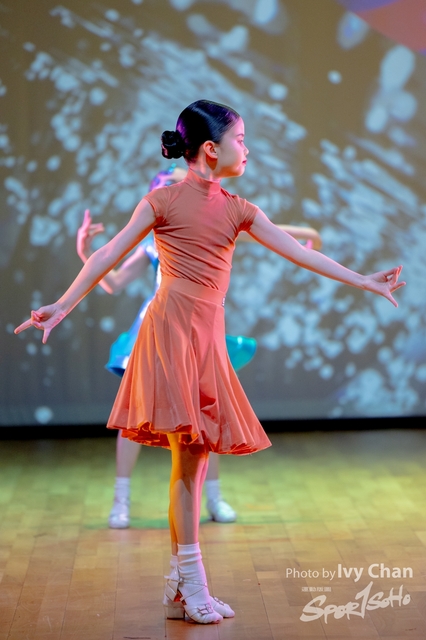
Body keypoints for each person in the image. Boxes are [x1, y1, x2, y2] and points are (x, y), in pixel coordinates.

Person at [15, 99, 404, 624]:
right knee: (191, 454)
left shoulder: (240, 209)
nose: (248, 148)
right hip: (170, 332)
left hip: (206, 337)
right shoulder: (162, 201)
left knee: (193, 460)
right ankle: (191, 585)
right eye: (240, 139)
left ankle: (182, 588)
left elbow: (301, 252)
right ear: (211, 149)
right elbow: (110, 255)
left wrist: (363, 280)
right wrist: (62, 306)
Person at [77, 165, 322, 529]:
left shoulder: (214, 220)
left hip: (198, 329)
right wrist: (85, 250)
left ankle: (214, 498)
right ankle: (121, 500)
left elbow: (262, 230)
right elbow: (112, 281)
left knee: (204, 414)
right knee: (136, 415)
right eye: (170, 184)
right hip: (158, 328)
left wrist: (306, 235)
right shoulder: (152, 235)